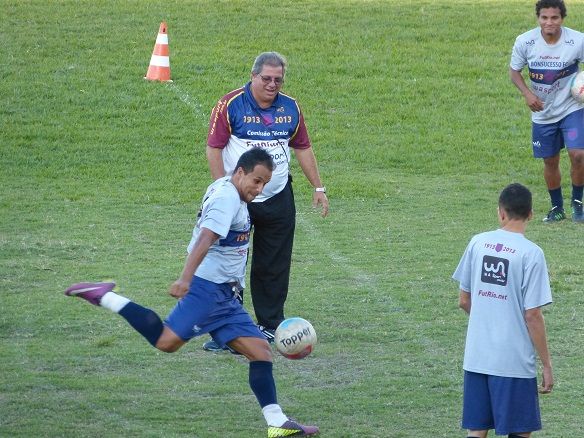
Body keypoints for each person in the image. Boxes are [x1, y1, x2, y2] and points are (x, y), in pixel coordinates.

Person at [64, 149, 319, 437]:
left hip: (225, 294)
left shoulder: (230, 191)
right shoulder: (227, 199)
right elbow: (206, 238)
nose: (259, 189)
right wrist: (185, 279)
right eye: (256, 181)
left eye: (264, 184)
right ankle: (102, 295)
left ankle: (276, 422)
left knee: (261, 352)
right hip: (206, 290)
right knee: (165, 341)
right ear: (240, 172)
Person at [204, 51, 329, 351]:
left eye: (278, 80)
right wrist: (224, 190)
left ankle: (270, 325)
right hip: (239, 199)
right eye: (266, 79)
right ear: (253, 76)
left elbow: (303, 147)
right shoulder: (230, 104)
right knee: (230, 265)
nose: (272, 85)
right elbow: (214, 148)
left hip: (277, 197)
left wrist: (318, 187)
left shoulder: (291, 108)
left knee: (274, 264)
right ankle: (229, 332)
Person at [452, 183, 553, 438]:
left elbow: (464, 300)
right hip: (513, 362)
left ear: (500, 212)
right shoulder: (532, 254)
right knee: (519, 432)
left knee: (476, 431)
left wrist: (488, 318)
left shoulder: (477, 243)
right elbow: (532, 315)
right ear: (530, 214)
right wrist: (547, 364)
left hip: (477, 357)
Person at [509, 0, 584, 223]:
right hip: (542, 113)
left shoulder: (577, 40)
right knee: (550, 161)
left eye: (554, 18)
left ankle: (578, 204)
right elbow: (514, 72)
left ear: (562, 18)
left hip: (572, 108)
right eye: (544, 18)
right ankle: (557, 207)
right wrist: (527, 94)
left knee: (579, 154)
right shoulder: (525, 41)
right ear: (538, 18)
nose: (549, 22)